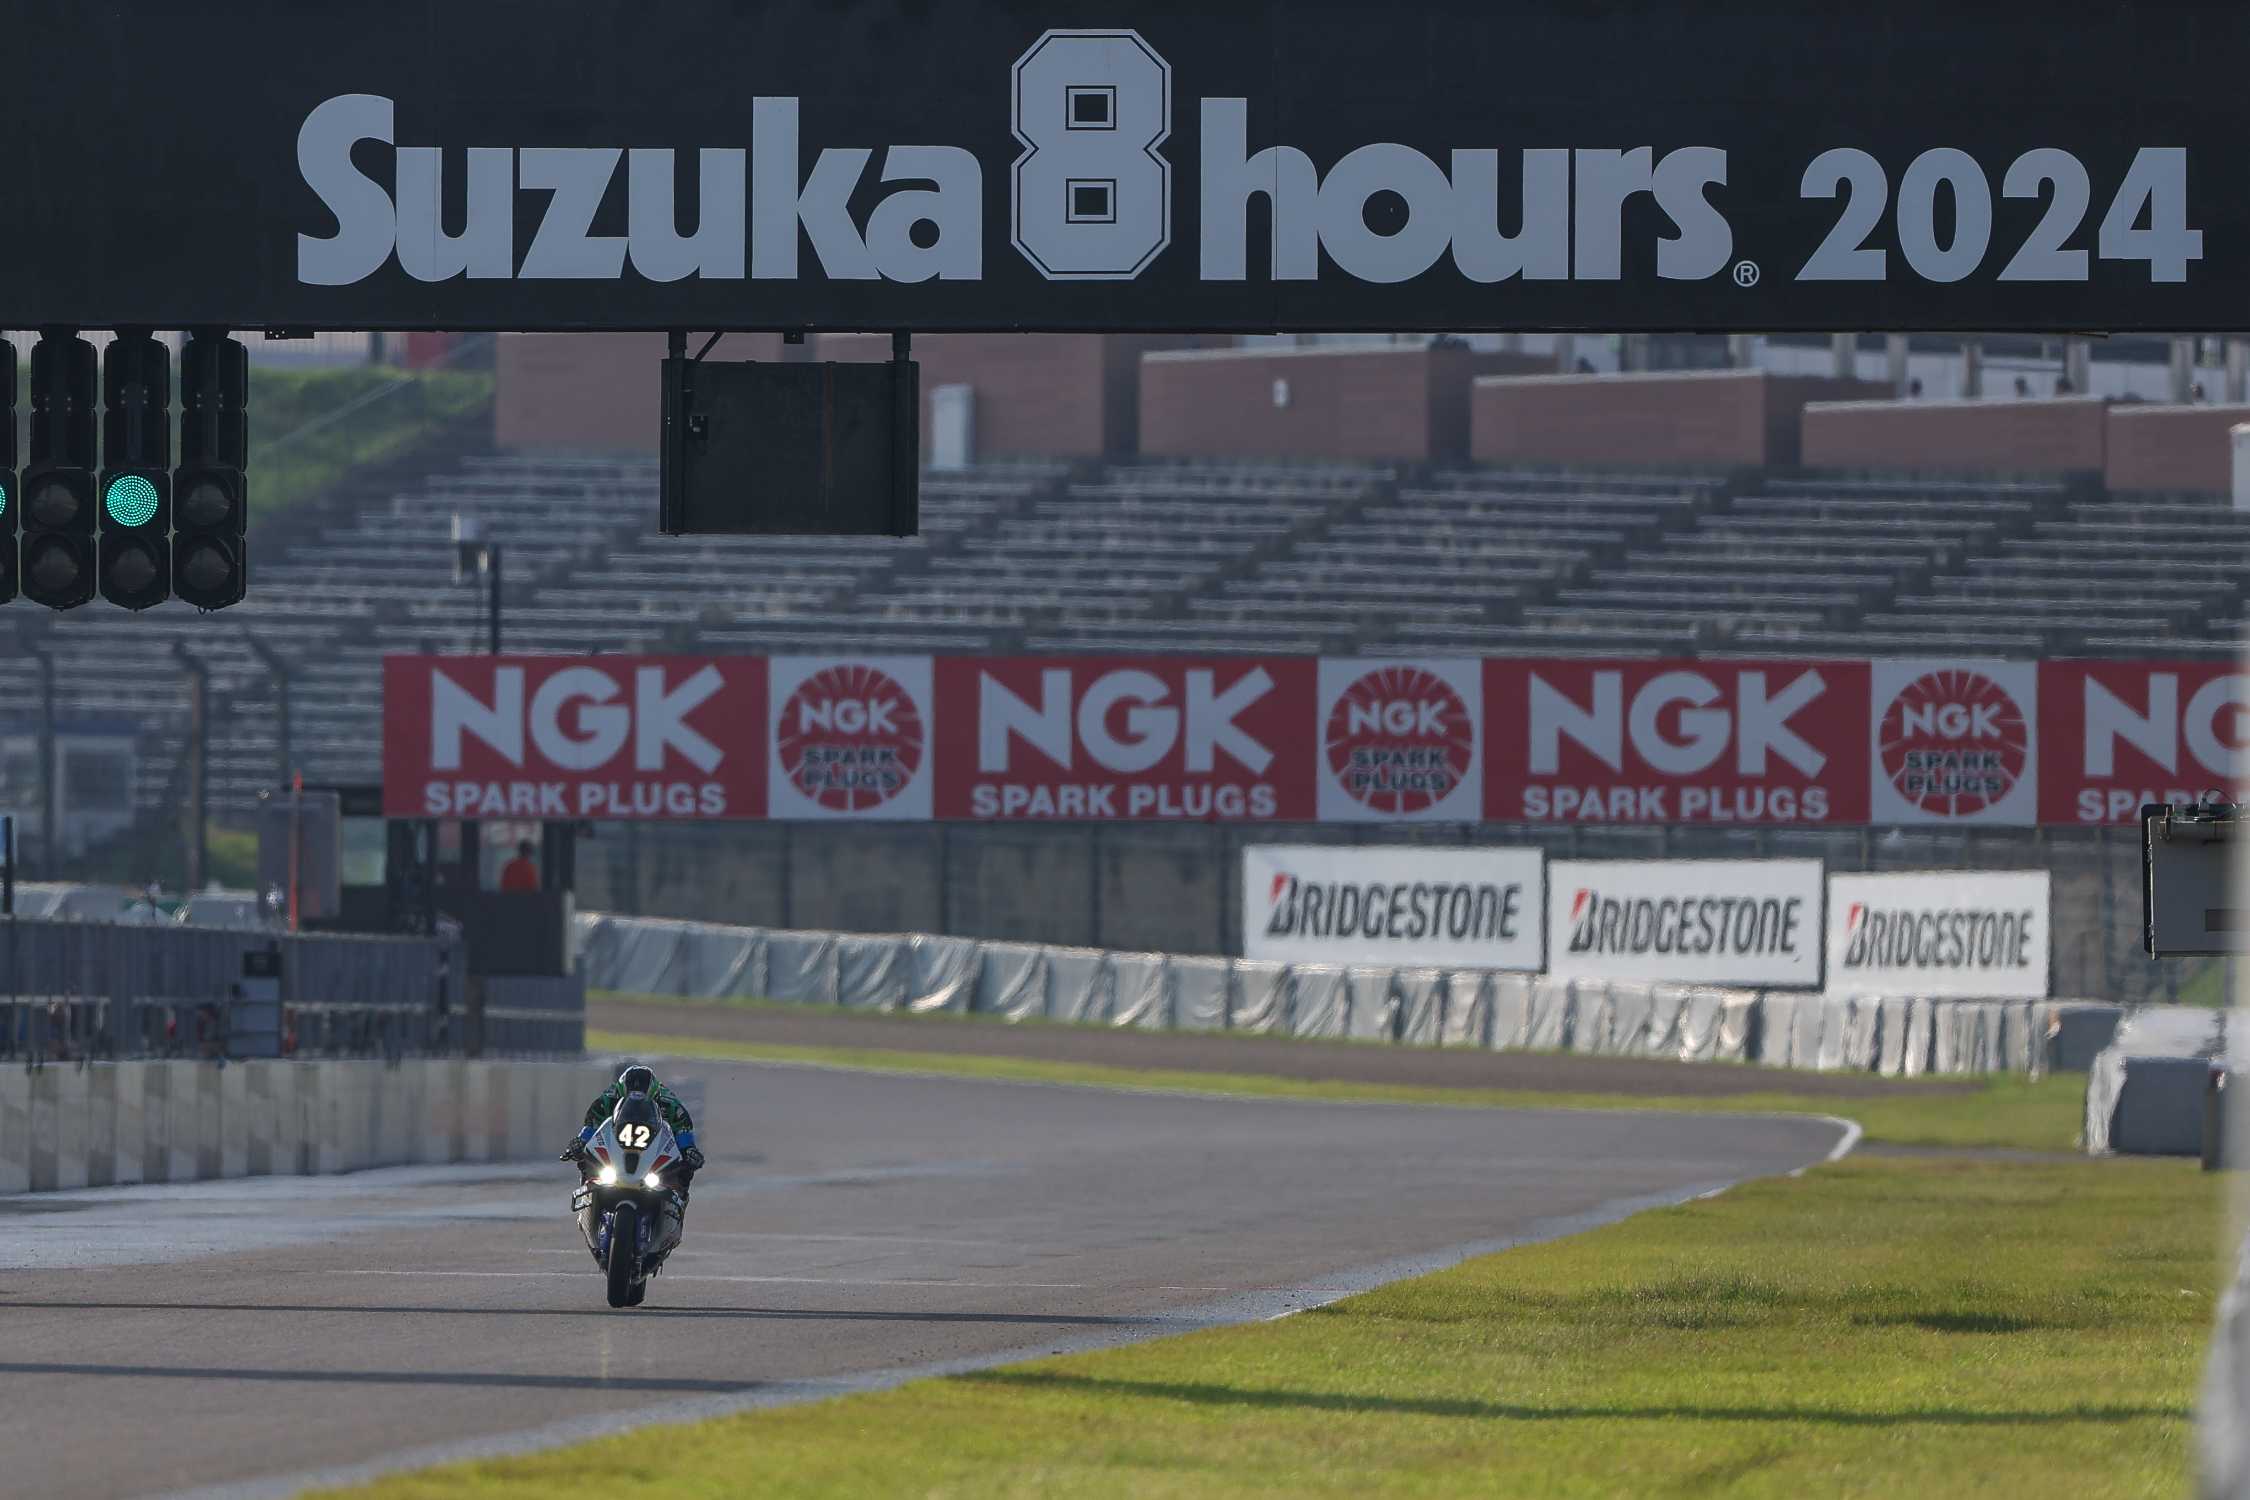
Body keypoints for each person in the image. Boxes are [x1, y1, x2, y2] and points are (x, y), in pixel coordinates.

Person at [563, 1063, 705, 1222]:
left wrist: (688, 1149)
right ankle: (588, 1195)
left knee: (686, 1167)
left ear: (654, 1093)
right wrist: (581, 1141)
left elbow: (683, 1129)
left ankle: (679, 1201)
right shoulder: (609, 1098)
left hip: (653, 1147)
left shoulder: (669, 1102)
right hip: (617, 1145)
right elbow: (592, 1124)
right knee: (584, 1157)